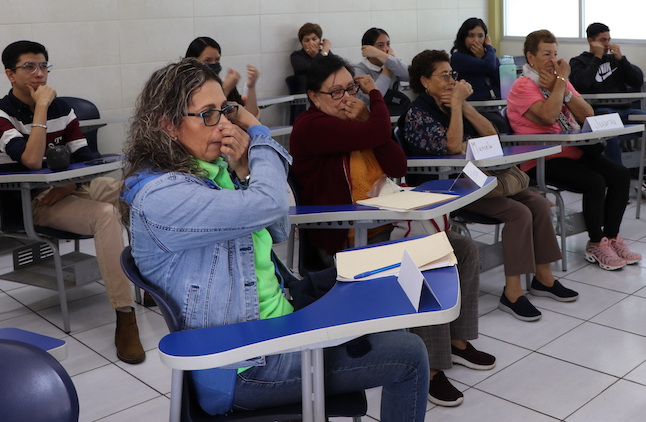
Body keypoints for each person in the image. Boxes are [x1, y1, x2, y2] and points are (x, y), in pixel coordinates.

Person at [122, 58, 428, 419]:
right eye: (207, 115)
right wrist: (260, 135)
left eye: (225, 111)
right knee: (410, 355)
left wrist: (244, 170)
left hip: (277, 319)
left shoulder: (211, 172)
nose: (224, 125)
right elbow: (270, 205)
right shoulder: (162, 197)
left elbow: (278, 228)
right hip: (246, 363)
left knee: (382, 289)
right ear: (168, 125)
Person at [290, 54, 495, 407]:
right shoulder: (312, 125)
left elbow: (397, 163)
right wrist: (374, 99)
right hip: (347, 232)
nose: (346, 98)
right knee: (428, 258)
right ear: (314, 96)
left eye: (350, 89)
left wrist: (367, 117)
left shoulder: (357, 124)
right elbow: (378, 131)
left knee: (463, 249)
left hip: (387, 222)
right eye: (336, 92)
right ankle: (431, 368)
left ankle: (457, 342)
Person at [0, 40, 144, 364]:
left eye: (43, 66)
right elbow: (30, 160)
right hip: (33, 201)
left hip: (71, 188)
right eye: (29, 67)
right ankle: (125, 317)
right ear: (10, 74)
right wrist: (41, 108)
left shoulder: (64, 108)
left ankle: (150, 281)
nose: (39, 73)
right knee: (105, 214)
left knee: (139, 191)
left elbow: (85, 156)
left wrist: (71, 183)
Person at [399, 50, 577, 322]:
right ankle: (513, 293)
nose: (451, 80)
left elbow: (491, 136)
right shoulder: (417, 113)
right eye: (444, 75)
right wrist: (456, 105)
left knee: (539, 204)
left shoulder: (452, 105)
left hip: (478, 180)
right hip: (448, 190)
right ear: (424, 81)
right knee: (519, 213)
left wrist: (464, 106)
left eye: (451, 74)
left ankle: (544, 278)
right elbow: (452, 146)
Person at [507, 30, 643, 271]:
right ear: (530, 57)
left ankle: (611, 238)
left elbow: (587, 114)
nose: (553, 60)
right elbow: (549, 116)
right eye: (546, 54)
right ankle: (595, 243)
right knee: (594, 182)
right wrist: (561, 82)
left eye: (555, 54)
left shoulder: (558, 80)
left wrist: (565, 89)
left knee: (620, 175)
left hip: (572, 151)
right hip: (540, 159)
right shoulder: (523, 86)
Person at [568, 22, 646, 179]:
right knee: (610, 128)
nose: (607, 44)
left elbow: (637, 81)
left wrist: (622, 60)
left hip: (625, 110)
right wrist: (597, 58)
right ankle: (618, 177)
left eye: (609, 39)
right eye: (603, 40)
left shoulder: (616, 60)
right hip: (600, 111)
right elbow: (582, 84)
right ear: (591, 41)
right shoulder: (578, 62)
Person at [185, 36, 259, 117]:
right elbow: (209, 117)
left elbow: (250, 118)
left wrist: (251, 87)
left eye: (217, 60)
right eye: (207, 60)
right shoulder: (185, 89)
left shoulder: (226, 84)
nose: (214, 64)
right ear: (193, 61)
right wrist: (225, 89)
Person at [449, 17, 501, 100]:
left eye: (480, 36)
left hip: (497, 102)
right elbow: (489, 66)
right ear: (463, 38)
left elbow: (501, 78)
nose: (476, 40)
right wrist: (489, 47)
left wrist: (485, 55)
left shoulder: (488, 56)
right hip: (476, 104)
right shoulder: (458, 57)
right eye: (471, 36)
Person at [352, 27, 409, 99]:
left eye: (388, 44)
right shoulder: (357, 70)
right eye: (380, 45)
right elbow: (376, 95)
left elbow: (410, 75)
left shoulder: (392, 63)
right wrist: (387, 67)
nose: (386, 49)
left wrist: (388, 60)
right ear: (368, 49)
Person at [289, 22, 330, 93]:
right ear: (301, 43)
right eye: (307, 40)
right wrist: (324, 52)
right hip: (306, 94)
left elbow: (337, 69)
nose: (311, 43)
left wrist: (320, 54)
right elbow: (313, 69)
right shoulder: (296, 56)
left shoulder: (326, 54)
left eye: (314, 39)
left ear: (320, 41)